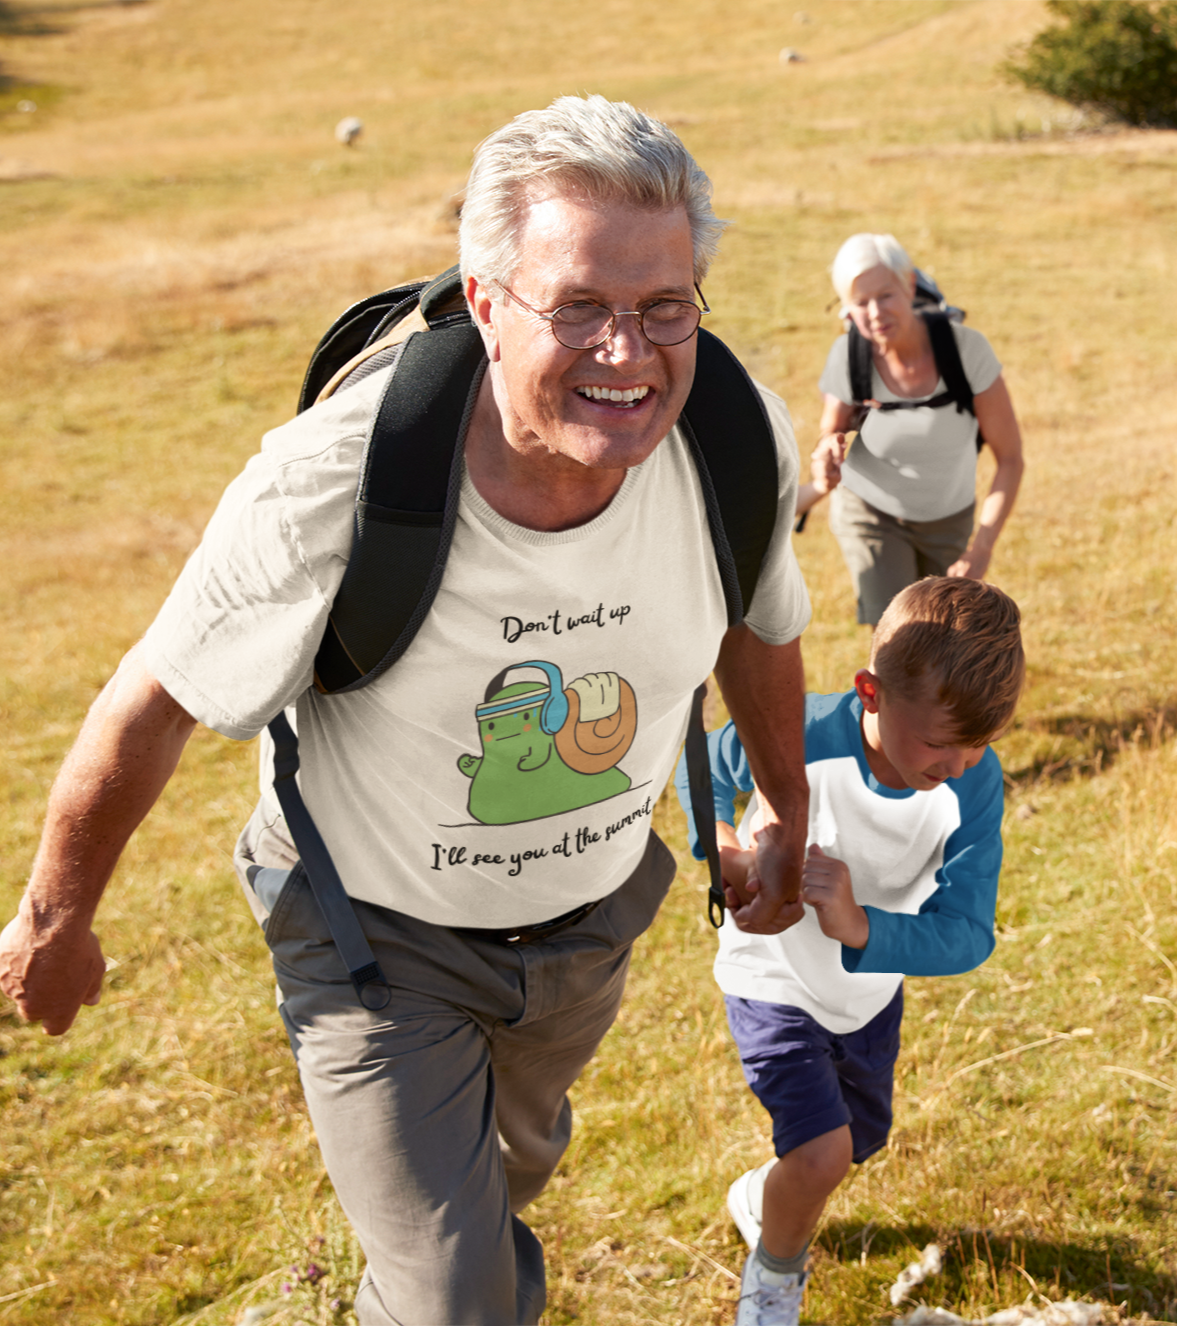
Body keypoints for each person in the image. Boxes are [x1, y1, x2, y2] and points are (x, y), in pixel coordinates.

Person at [0, 96, 813, 1326]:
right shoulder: (334, 477)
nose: (629, 355)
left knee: (499, 1195)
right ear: (487, 303)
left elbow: (759, 622)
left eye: (665, 307)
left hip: (587, 926)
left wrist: (787, 810)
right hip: (374, 939)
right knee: (456, 1299)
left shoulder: (736, 444)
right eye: (579, 308)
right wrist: (55, 920)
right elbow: (152, 703)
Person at [676, 576, 1024, 1326]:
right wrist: (729, 851)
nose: (961, 763)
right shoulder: (794, 733)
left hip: (864, 997)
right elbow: (695, 770)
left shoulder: (973, 786)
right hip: (770, 978)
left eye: (981, 744)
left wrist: (862, 926)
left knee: (857, 1141)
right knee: (824, 1152)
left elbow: (968, 931)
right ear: (871, 691)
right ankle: (772, 1281)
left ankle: (760, 1196)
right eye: (940, 742)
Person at [796, 233, 1025, 626]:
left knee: (946, 637)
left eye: (885, 296)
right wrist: (827, 455)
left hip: (948, 518)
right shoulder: (850, 355)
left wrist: (982, 546)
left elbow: (1011, 460)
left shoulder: (966, 352)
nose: (874, 313)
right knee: (898, 634)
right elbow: (829, 434)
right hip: (870, 511)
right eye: (860, 303)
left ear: (909, 285)